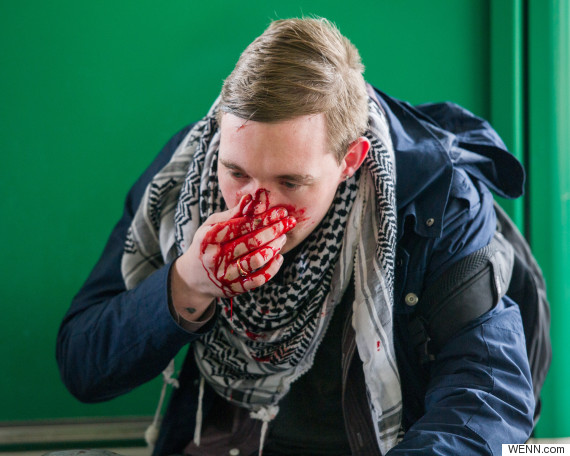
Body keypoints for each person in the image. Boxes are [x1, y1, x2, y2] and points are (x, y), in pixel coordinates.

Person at [57, 17, 535, 456]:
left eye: (289, 182)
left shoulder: (436, 197)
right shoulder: (184, 176)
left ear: (350, 161)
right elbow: (81, 365)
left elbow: (487, 389)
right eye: (236, 172)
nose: (253, 207)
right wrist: (187, 282)